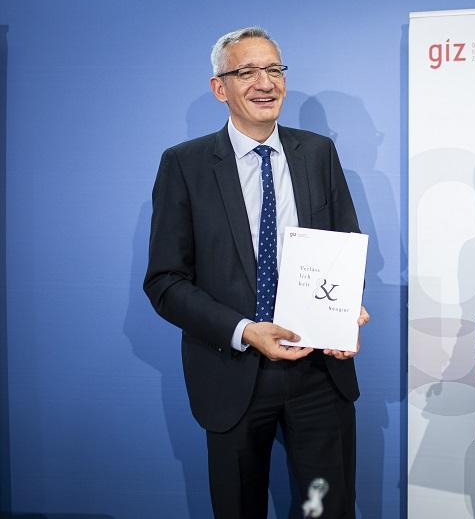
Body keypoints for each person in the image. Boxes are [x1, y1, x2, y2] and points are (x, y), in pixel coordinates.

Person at [144, 26, 368, 519]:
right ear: (219, 88)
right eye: (246, 72)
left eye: (273, 70)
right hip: (232, 372)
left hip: (318, 373)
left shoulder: (318, 153)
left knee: (326, 510)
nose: (265, 83)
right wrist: (245, 330)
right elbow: (165, 283)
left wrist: (347, 307)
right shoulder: (185, 165)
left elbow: (345, 249)